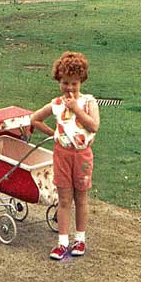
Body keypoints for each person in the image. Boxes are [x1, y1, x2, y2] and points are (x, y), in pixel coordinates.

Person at [31, 52, 100, 260]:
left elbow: (93, 126)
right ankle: (62, 242)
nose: (69, 88)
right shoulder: (56, 104)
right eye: (65, 83)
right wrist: (54, 134)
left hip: (82, 156)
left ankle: (80, 239)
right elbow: (35, 119)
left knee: (81, 197)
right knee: (64, 199)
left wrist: (76, 109)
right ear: (59, 81)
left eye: (74, 83)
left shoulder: (88, 102)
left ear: (81, 81)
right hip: (62, 155)